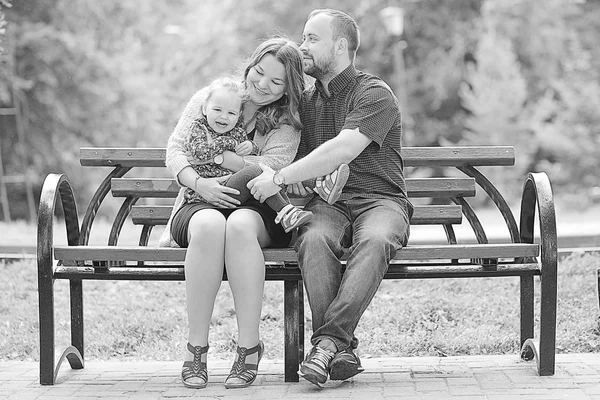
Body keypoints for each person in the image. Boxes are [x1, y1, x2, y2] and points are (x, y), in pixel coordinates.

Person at [248, 9, 413, 388]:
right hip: (328, 206)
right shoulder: (303, 101)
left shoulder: (374, 93)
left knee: (374, 239)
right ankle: (337, 351)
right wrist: (300, 184)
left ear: (340, 46)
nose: (302, 46)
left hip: (380, 199)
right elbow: (296, 157)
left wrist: (281, 177)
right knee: (313, 238)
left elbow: (344, 148)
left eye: (312, 39)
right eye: (304, 38)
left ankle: (326, 343)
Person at [159, 37, 307, 390]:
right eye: (259, 73)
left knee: (239, 224)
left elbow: (271, 169)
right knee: (210, 225)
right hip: (198, 202)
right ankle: (196, 349)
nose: (262, 85)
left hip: (256, 210)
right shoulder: (214, 97)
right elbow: (176, 150)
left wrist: (232, 166)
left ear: (288, 89)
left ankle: (249, 347)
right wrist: (201, 183)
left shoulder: (286, 125)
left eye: (276, 82)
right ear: (250, 65)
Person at [175, 75, 316, 233]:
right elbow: (199, 152)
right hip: (209, 193)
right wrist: (229, 146)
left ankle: (316, 185)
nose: (223, 116)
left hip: (234, 189)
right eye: (217, 110)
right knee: (258, 170)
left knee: (260, 171)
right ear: (204, 109)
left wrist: (250, 146)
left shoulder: (236, 132)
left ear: (238, 115)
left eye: (231, 113)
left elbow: (254, 152)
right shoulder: (200, 128)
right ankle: (289, 209)